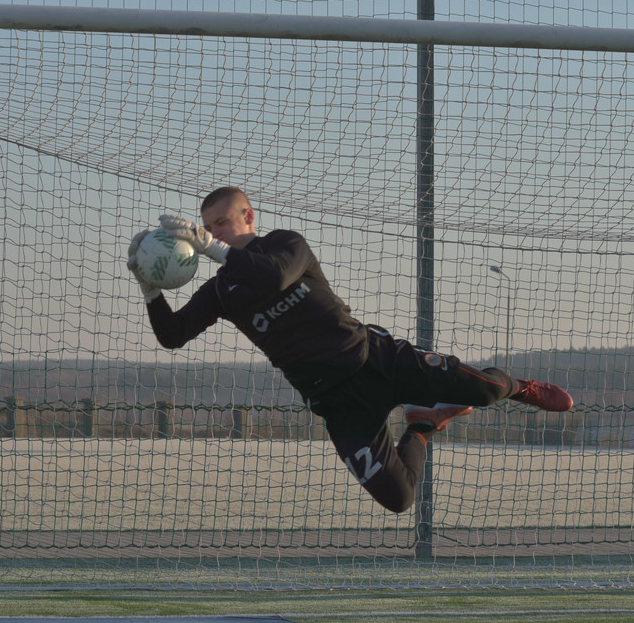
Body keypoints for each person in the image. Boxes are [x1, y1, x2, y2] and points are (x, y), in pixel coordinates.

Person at [127, 186, 572, 514]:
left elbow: (273, 277)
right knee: (399, 498)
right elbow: (173, 334)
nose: (214, 232)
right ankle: (423, 422)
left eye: (222, 222)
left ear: (249, 217)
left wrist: (212, 248)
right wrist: (150, 291)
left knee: (486, 392)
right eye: (207, 228)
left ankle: (519, 387)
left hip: (374, 359)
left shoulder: (287, 244)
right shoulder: (222, 288)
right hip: (337, 402)